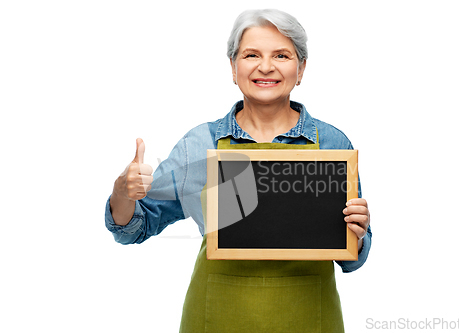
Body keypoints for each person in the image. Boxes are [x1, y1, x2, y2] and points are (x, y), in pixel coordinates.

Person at [105, 8, 372, 333]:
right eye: (251, 55)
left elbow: (352, 258)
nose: (266, 66)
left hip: (307, 318)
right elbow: (134, 227)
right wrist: (122, 193)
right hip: (218, 317)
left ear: (301, 69)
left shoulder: (331, 144)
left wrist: (356, 233)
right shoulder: (200, 143)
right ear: (233, 67)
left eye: (282, 55)